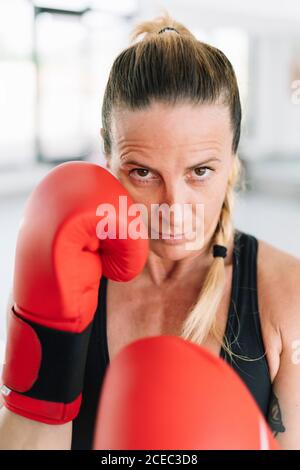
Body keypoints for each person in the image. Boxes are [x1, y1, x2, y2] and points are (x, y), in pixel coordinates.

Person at [1, 11, 300, 450]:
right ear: (108, 155)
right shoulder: (69, 280)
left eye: (200, 171)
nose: (174, 208)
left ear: (233, 158)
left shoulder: (285, 294)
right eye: (142, 172)